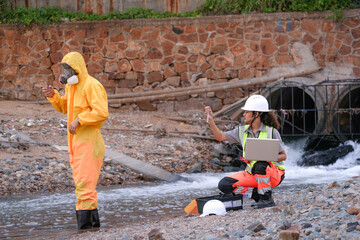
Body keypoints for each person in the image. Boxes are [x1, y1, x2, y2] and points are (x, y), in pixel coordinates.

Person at [42, 52, 109, 229]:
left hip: (89, 142)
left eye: (69, 68)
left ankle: (84, 230)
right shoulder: (72, 87)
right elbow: (65, 107)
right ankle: (93, 229)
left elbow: (102, 112)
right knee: (84, 186)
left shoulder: (91, 85)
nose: (66, 72)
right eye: (64, 68)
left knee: (83, 186)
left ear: (77, 68)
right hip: (76, 143)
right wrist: (53, 95)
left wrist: (80, 119)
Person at [205, 95, 286, 209]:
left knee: (260, 164)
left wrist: (267, 157)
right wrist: (211, 121)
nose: (243, 114)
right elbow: (220, 136)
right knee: (224, 185)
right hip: (252, 173)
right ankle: (256, 195)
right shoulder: (241, 131)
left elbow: (283, 156)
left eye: (247, 112)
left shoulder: (272, 132)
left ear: (256, 114)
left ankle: (267, 199)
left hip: (274, 174)